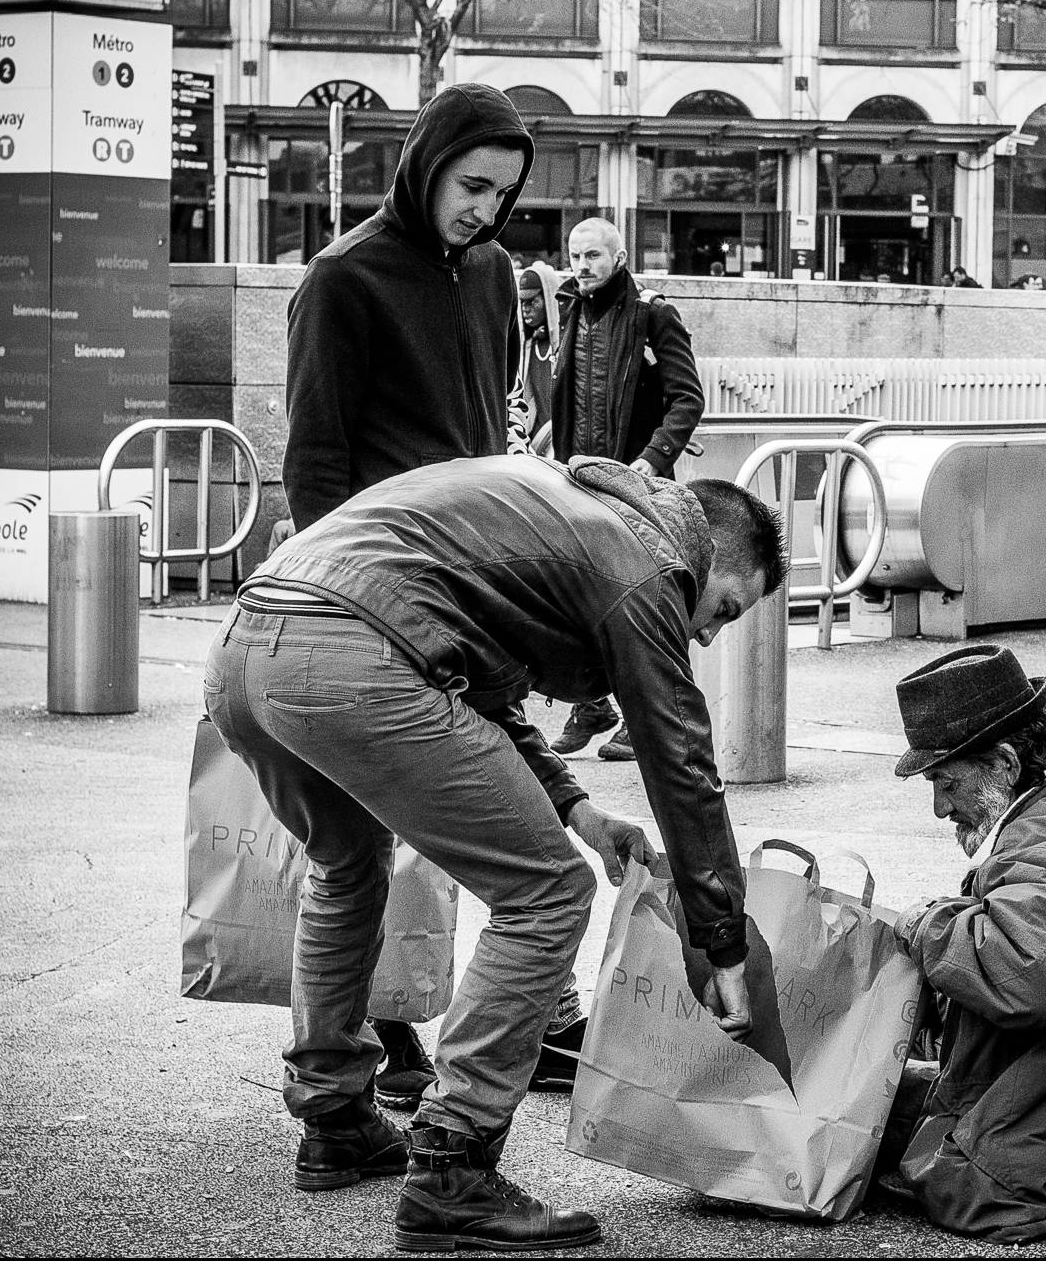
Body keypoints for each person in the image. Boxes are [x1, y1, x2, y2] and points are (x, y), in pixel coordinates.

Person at [203, 453, 787, 1252]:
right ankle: (455, 1165)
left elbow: (477, 685)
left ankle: (334, 1117)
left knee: (348, 863)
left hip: (246, 649)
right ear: (705, 552)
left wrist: (579, 811)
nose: (709, 633)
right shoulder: (650, 566)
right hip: (347, 654)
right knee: (548, 892)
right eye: (723, 608)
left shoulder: (566, 512)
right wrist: (723, 942)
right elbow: (681, 760)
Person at [281, 81, 536, 1112]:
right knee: (357, 847)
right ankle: (371, 1049)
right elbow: (313, 462)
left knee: (464, 826)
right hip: (367, 600)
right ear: (425, 164)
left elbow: (490, 428)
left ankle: (398, 1041)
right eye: (472, 185)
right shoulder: (341, 279)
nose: (486, 209)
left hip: (468, 586)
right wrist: (342, 602)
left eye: (504, 194)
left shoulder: (496, 273)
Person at [874, 645, 1046, 1245]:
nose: (939, 808)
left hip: (1035, 1130)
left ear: (1005, 764)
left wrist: (928, 925)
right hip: (1045, 1080)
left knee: (954, 1176)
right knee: (877, 1105)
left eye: (947, 782)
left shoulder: (1044, 836)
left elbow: (1034, 972)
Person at [533, 216, 706, 764]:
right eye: (575, 256)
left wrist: (651, 461)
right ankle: (592, 705)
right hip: (579, 482)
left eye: (593, 256)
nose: (582, 266)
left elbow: (688, 398)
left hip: (636, 486)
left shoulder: (653, 314)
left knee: (647, 603)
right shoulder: (569, 309)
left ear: (619, 258)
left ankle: (647, 716)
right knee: (574, 598)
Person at [507, 261, 558, 453]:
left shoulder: (567, 343)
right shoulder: (525, 346)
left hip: (561, 442)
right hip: (536, 444)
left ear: (549, 299)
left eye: (533, 301)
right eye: (522, 302)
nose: (526, 308)